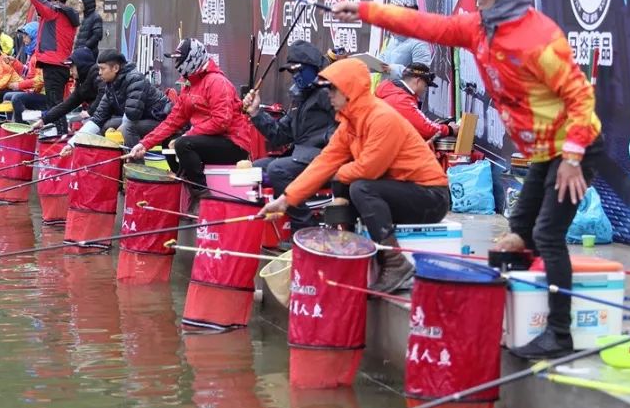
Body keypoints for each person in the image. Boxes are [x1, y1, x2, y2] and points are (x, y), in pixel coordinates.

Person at [333, 0, 604, 359]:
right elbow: (425, 25)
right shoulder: (477, 30)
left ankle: (559, 335)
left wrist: (574, 157)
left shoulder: (542, 42)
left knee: (546, 234)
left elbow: (581, 99)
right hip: (546, 151)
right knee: (517, 231)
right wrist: (365, 9)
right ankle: (512, 318)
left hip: (572, 150)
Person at [259, 58, 450, 293]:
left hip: (431, 197)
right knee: (347, 183)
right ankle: (347, 253)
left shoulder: (381, 118)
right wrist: (285, 201)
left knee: (359, 186)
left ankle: (395, 263)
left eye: (333, 88)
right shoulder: (350, 124)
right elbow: (323, 163)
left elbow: (369, 169)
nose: (328, 95)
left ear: (349, 89)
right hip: (402, 191)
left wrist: (338, 173)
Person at [129, 38, 252, 198]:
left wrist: (189, 134)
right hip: (207, 139)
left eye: (180, 59)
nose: (177, 63)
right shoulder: (189, 85)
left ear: (191, 58)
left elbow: (221, 122)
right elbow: (173, 120)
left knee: (183, 144)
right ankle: (184, 181)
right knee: (169, 141)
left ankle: (201, 193)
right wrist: (144, 144)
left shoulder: (217, 82)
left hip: (233, 143)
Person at [241, 40, 336, 231]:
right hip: (299, 156)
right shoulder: (300, 98)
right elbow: (279, 135)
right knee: (254, 169)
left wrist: (329, 145)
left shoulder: (329, 93)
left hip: (324, 160)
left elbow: (346, 127)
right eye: (292, 72)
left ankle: (305, 228)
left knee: (277, 169)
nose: (296, 77)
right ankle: (267, 229)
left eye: (298, 71)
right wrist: (256, 112)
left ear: (312, 68)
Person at [75, 49, 172, 147]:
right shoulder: (111, 86)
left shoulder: (135, 79)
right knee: (105, 125)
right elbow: (98, 118)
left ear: (116, 68)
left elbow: (132, 114)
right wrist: (73, 142)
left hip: (161, 121)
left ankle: (135, 162)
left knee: (128, 128)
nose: (99, 73)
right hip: (141, 119)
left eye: (102, 69)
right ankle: (110, 159)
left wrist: (121, 127)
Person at [18, 0, 80, 120]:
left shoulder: (54, 13)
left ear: (54, 2)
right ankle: (58, 132)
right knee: (58, 103)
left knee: (54, 105)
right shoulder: (67, 16)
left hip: (53, 65)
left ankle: (57, 134)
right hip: (61, 64)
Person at [375, 63, 458, 141]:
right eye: (425, 85)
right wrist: (450, 129)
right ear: (418, 81)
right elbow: (426, 128)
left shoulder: (394, 93)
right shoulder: (402, 99)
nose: (425, 90)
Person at [30, 47, 104, 134]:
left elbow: (103, 93)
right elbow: (66, 105)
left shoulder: (96, 73)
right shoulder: (81, 83)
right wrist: (43, 120)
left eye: (72, 67)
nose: (70, 71)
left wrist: (90, 111)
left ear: (81, 65)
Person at [376, 4, 433, 78]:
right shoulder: (391, 41)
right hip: (386, 88)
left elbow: (422, 73)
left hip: (403, 89)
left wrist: (395, 69)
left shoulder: (419, 43)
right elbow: (383, 60)